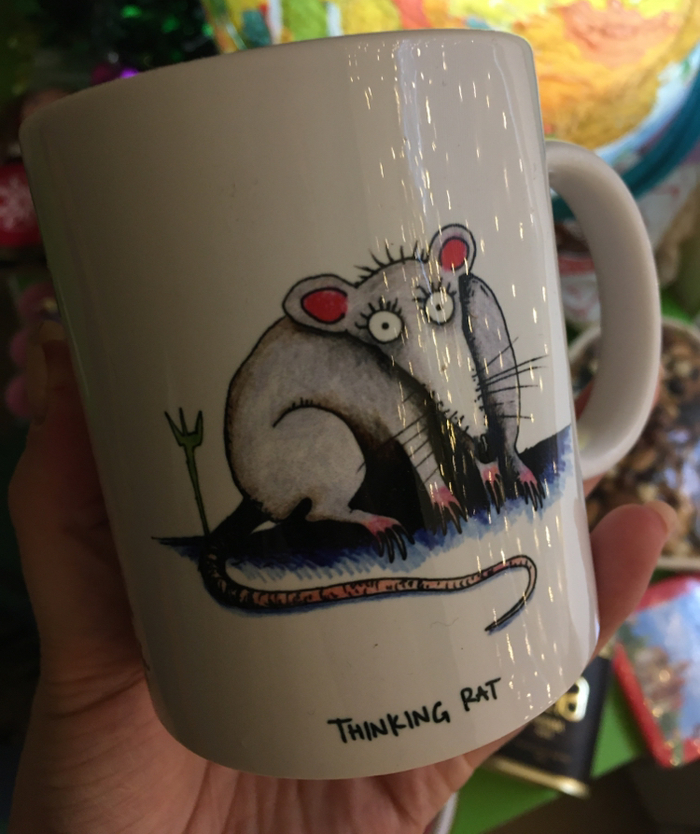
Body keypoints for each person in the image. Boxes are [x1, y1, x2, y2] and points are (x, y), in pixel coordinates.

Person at [8, 326, 674, 834]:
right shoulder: (357, 361)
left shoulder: (373, 353)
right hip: (296, 471)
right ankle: (335, 509)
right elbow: (401, 421)